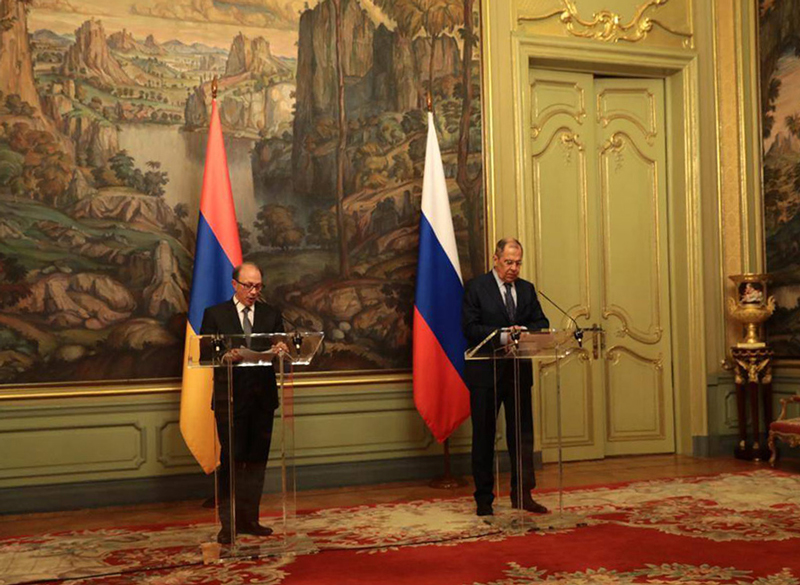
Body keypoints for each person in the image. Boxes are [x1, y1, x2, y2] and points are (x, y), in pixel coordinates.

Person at [200, 262, 288, 544]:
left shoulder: (271, 314)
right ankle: (229, 525)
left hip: (262, 400)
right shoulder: (215, 314)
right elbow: (205, 353)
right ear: (234, 284)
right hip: (230, 400)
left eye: (258, 286)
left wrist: (282, 348)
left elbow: (281, 346)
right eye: (248, 286)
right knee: (232, 462)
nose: (253, 292)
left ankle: (250, 520)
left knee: (257, 462)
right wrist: (224, 356)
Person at [462, 238, 550, 517]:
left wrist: (524, 331)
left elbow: (542, 323)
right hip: (485, 374)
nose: (513, 268)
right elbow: (470, 327)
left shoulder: (526, 289)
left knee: (522, 437)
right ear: (496, 259)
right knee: (484, 437)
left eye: (518, 263)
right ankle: (484, 499)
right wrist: (503, 335)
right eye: (509, 262)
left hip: (517, 373)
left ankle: (522, 494)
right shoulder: (476, 287)